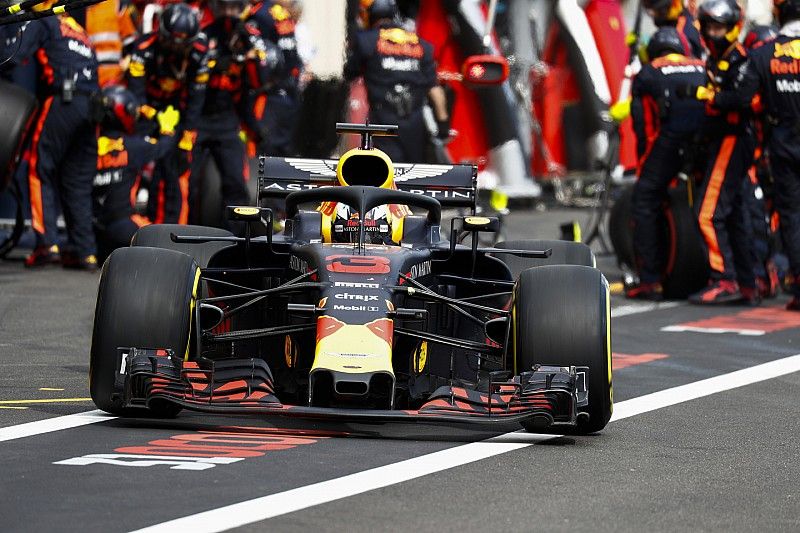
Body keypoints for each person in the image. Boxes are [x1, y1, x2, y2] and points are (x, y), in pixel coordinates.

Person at [708, 0, 800, 309]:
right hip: (783, 140)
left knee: (791, 215)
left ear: (779, 14)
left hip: (783, 144)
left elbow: (743, 99)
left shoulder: (762, 54)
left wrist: (713, 98)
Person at [1, 10, 100, 269]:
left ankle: (47, 245)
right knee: (76, 181)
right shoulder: (79, 28)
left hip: (63, 101)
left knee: (38, 169)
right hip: (93, 109)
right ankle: (85, 251)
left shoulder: (42, 19)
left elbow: (15, 55)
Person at [683, 0, 759, 305]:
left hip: (735, 139)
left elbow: (742, 99)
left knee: (707, 214)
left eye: (719, 28)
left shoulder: (742, 60)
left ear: (732, 29)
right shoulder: (714, 58)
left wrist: (707, 96)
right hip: (721, 140)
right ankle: (748, 281)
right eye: (709, 27)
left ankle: (723, 279)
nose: (713, 34)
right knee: (735, 214)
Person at [625, 27, 707, 300]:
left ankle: (650, 281)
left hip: (670, 141)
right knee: (721, 202)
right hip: (709, 142)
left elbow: (644, 126)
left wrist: (644, 169)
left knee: (645, 198)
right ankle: (742, 275)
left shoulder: (647, 74)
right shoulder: (701, 66)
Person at [191, 0, 276, 226]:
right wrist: (219, 61)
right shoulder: (203, 34)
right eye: (223, 7)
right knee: (188, 181)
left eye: (233, 7)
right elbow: (193, 73)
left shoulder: (251, 35)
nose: (228, 13)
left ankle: (235, 236)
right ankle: (187, 231)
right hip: (199, 117)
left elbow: (262, 79)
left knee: (235, 183)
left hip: (229, 119)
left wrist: (248, 52)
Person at [126, 2, 210, 224]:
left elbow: (196, 97)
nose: (175, 49)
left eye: (181, 45)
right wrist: (153, 116)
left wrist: (187, 136)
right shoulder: (143, 48)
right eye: (171, 43)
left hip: (177, 113)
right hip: (145, 109)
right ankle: (125, 220)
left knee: (177, 170)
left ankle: (174, 231)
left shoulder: (200, 53)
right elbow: (135, 95)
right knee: (130, 161)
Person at [343, 0, 449, 163]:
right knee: (412, 175)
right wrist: (443, 125)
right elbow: (435, 90)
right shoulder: (421, 45)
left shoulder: (367, 41)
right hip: (414, 124)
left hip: (383, 123)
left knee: (385, 173)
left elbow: (349, 73)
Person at [91, 85, 178, 259]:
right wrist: (167, 129)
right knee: (168, 248)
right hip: (123, 225)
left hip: (92, 231)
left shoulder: (88, 148)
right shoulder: (134, 147)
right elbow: (163, 146)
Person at [246, 0, 302, 156]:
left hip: (270, 89)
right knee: (283, 145)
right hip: (289, 86)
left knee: (266, 145)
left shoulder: (259, 15)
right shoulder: (278, 11)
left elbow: (259, 51)